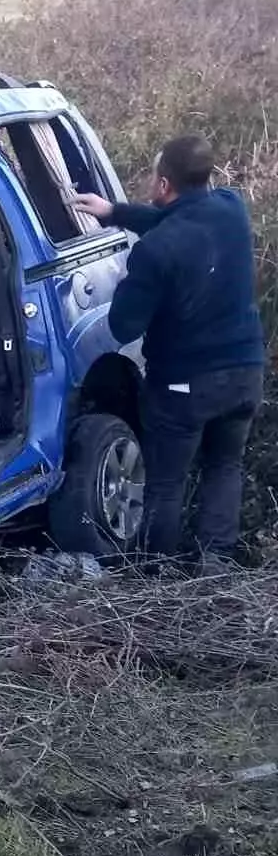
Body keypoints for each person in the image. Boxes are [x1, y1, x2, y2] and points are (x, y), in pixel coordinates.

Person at [72, 134, 265, 565]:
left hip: (186, 385)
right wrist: (114, 213)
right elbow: (182, 221)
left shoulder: (154, 253)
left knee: (165, 481)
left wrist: (129, 281)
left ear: (163, 185)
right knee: (224, 465)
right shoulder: (231, 209)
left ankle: (155, 574)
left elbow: (124, 326)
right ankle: (215, 564)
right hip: (244, 373)